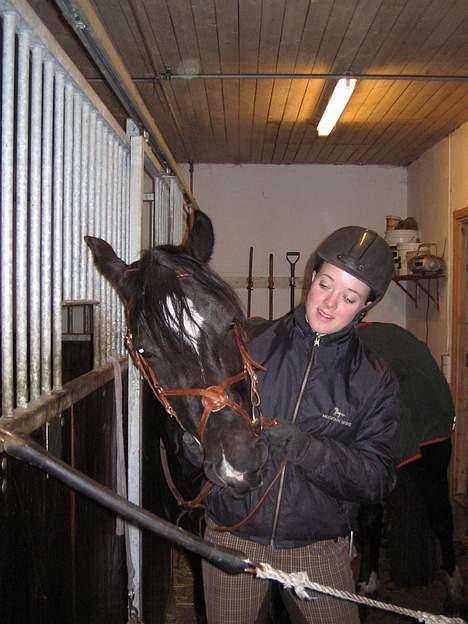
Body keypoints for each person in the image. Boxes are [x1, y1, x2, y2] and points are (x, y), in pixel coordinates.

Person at [202, 226, 402, 623]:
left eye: (349, 297)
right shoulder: (247, 344)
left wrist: (305, 449)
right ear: (311, 277)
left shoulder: (375, 380)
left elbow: (377, 477)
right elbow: (204, 419)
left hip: (317, 546)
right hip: (233, 534)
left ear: (365, 307)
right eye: (325, 284)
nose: (329, 304)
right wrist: (197, 444)